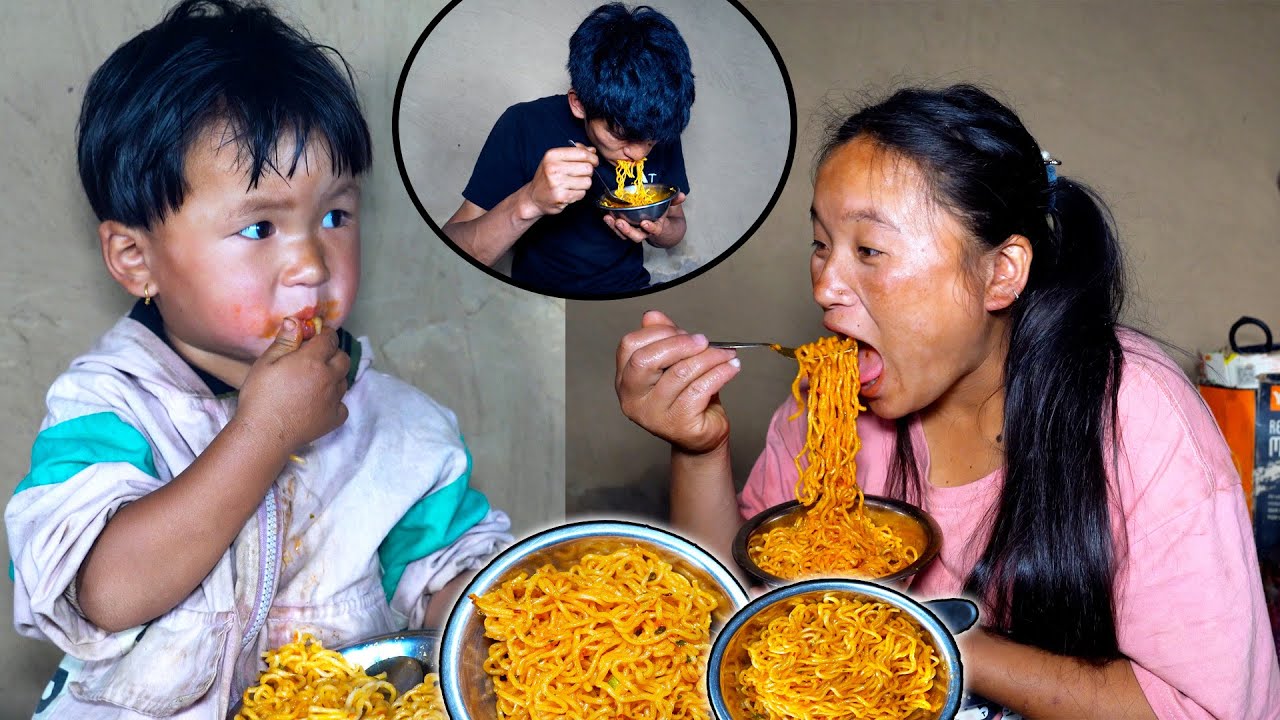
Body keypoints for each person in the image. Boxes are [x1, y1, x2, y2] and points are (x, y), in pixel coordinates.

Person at [615, 84, 1280, 718]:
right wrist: (698, 449)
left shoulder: (1135, 412)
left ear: (1000, 273)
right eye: (820, 246)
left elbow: (1207, 710)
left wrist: (940, 640)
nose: (825, 286)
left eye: (869, 250)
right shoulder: (829, 399)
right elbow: (737, 620)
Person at [5, 2, 512, 717]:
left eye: (335, 215)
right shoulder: (109, 406)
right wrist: (264, 434)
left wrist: (485, 609)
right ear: (135, 258)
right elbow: (105, 592)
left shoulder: (399, 428)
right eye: (259, 226)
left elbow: (447, 588)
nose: (309, 262)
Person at [443, 2, 694, 297]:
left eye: (650, 141)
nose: (639, 155)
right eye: (620, 134)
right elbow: (451, 252)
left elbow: (676, 226)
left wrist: (659, 228)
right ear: (578, 103)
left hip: (631, 290)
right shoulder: (523, 124)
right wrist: (529, 201)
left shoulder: (660, 125)